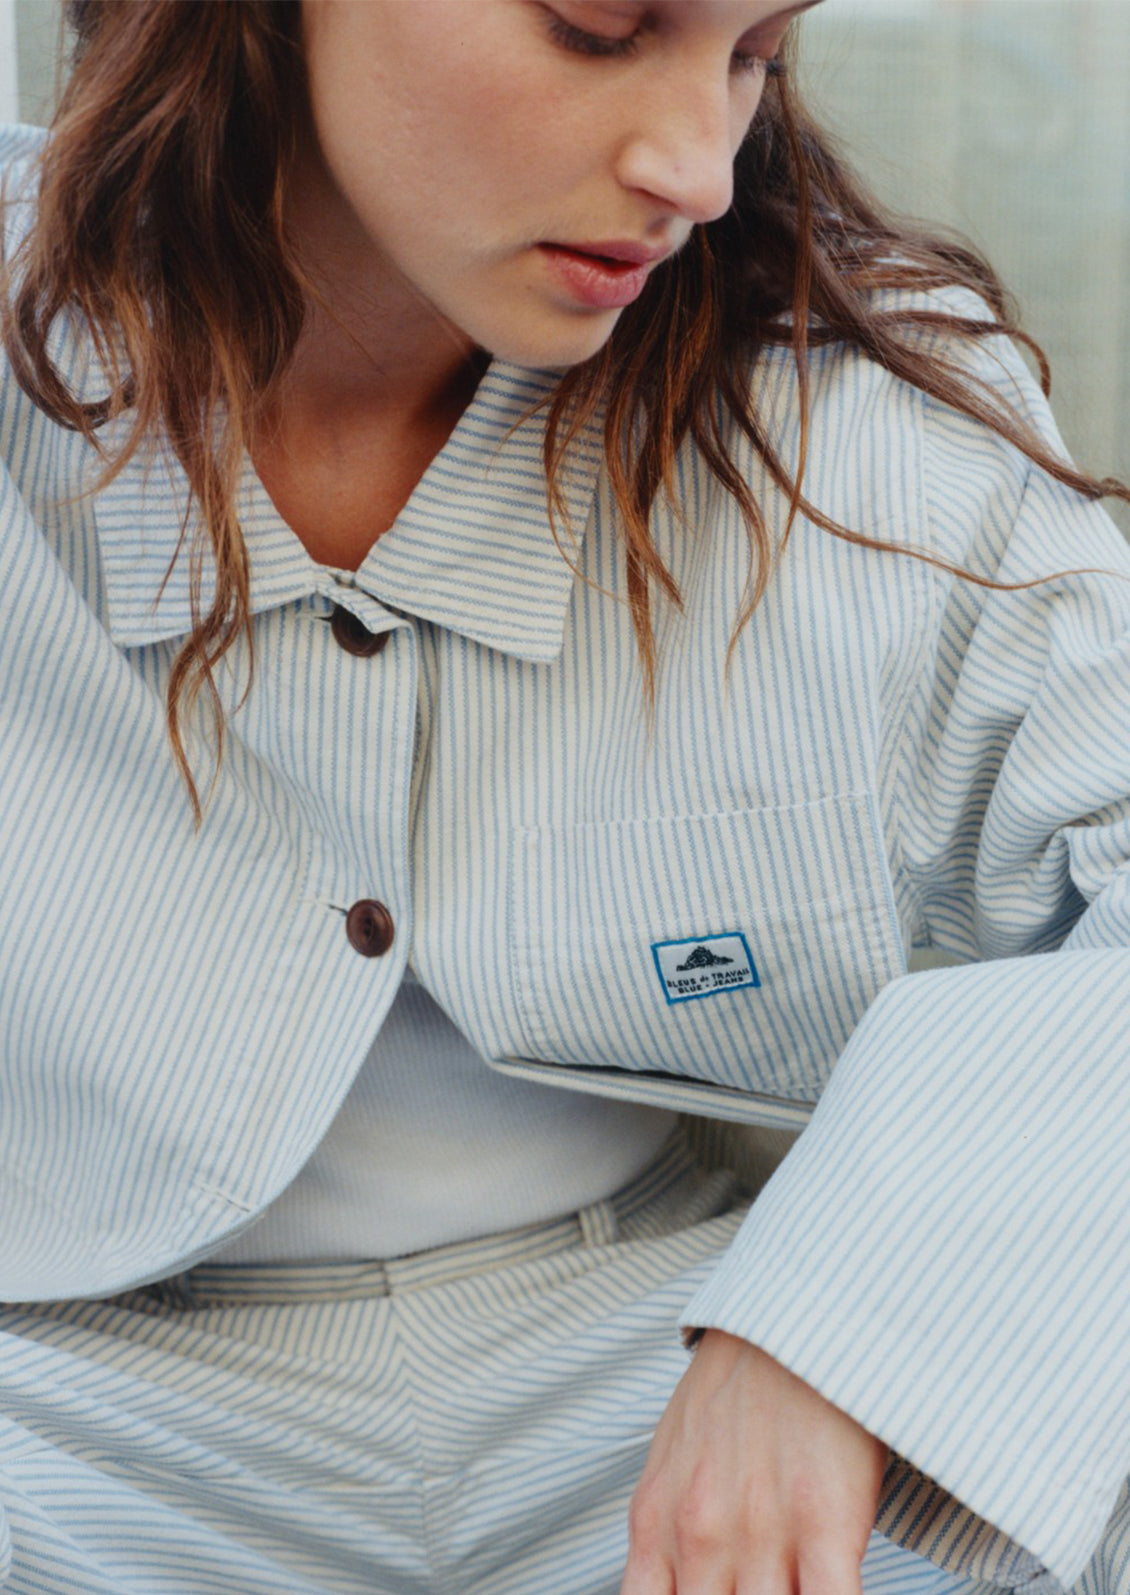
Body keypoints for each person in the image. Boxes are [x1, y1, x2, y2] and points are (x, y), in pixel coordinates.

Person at [1, 1, 1129, 1592]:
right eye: (598, 29)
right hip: (53, 1416)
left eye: (751, 54)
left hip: (661, 1368)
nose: (698, 168)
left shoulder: (846, 414)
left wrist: (849, 1315)